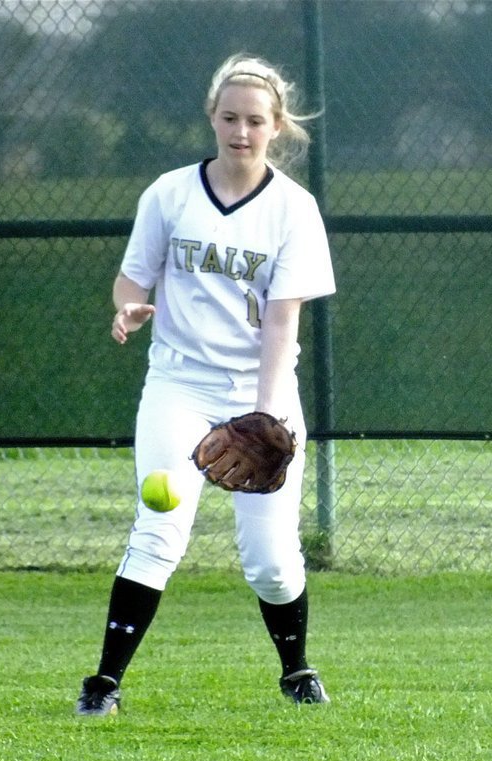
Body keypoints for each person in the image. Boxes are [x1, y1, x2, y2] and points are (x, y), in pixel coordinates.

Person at [76, 53, 336, 716]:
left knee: (270, 559)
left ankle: (297, 670)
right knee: (159, 526)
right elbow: (132, 277)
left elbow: (281, 322)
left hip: (260, 389)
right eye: (229, 117)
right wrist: (128, 307)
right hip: (179, 385)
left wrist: (265, 417)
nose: (240, 131)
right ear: (211, 118)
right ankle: (103, 684)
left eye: (255, 120)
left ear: (276, 126)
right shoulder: (169, 194)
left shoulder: (294, 209)